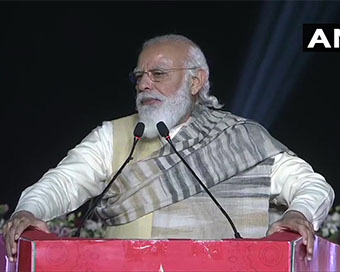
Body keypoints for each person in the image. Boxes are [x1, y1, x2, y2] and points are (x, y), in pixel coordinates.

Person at [2, 34, 334, 263]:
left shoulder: (242, 139)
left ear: (196, 81)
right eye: (140, 76)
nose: (145, 83)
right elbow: (62, 183)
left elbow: (312, 186)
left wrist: (298, 214)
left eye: (159, 73)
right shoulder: (114, 137)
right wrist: (30, 211)